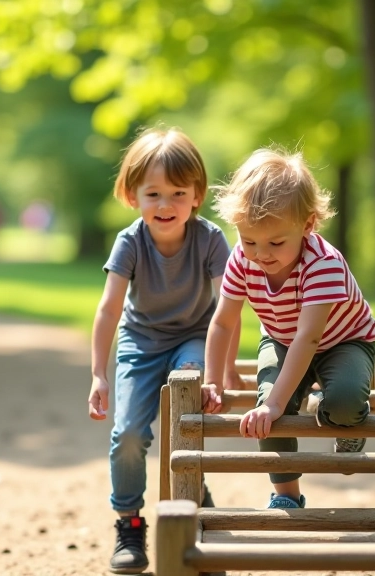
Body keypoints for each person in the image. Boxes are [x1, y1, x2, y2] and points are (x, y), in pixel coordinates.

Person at [88, 126, 241, 574]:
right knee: (129, 434)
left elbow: (228, 312)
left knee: (185, 400)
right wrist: (99, 373)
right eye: (153, 193)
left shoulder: (211, 239)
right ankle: (130, 524)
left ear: (197, 195)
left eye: (177, 192)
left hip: (195, 336)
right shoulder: (130, 242)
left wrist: (220, 371)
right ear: (132, 195)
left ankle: (193, 496)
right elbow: (108, 310)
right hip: (141, 341)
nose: (165, 204)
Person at [202, 147, 375, 511]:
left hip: (343, 342)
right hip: (282, 338)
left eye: (275, 243)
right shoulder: (242, 258)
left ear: (308, 224)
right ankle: (286, 492)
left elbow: (310, 337)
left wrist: (276, 402)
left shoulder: (323, 264)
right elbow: (223, 320)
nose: (261, 254)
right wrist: (214, 378)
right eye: (249, 240)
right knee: (267, 412)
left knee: (342, 404)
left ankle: (344, 425)